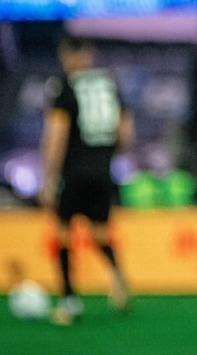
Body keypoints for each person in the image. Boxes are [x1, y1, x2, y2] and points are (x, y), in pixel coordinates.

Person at [39, 35, 134, 326]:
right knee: (100, 232)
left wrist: (48, 177)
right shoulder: (108, 83)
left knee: (64, 232)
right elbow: (125, 131)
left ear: (67, 55)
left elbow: (57, 134)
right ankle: (116, 274)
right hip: (102, 170)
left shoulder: (65, 87)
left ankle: (69, 301)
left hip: (73, 170)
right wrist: (107, 154)